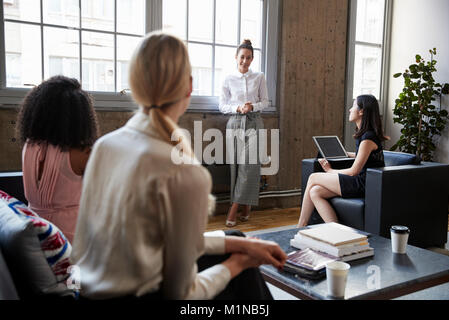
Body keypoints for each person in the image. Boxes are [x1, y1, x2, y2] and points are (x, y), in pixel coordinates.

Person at [70, 32, 286, 300]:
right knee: (245, 277)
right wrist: (239, 263)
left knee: (235, 235)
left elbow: (86, 251)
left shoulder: (104, 147)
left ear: (135, 84)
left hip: (83, 293)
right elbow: (183, 296)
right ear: (189, 86)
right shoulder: (184, 173)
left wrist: (240, 243)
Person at [16, 76, 99, 243]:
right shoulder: (82, 153)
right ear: (80, 117)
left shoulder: (29, 146)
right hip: (71, 241)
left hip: (37, 235)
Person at [297, 94, 388, 227]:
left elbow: (353, 171)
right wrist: (344, 153)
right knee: (315, 191)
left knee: (313, 177)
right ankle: (338, 231)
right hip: (362, 181)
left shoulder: (368, 138)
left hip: (362, 184)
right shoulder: (365, 135)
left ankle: (300, 226)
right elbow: (362, 158)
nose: (350, 110)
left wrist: (330, 171)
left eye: (353, 106)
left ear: (362, 111)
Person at [219, 39, 269, 227]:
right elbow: (222, 105)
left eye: (248, 58)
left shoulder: (259, 77)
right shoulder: (227, 78)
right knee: (237, 166)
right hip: (234, 122)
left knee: (249, 166)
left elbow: (265, 101)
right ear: (236, 57)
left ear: (252, 59)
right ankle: (246, 206)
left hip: (254, 122)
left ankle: (234, 207)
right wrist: (238, 108)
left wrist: (252, 106)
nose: (245, 61)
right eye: (242, 57)